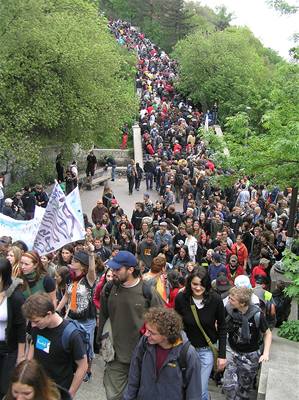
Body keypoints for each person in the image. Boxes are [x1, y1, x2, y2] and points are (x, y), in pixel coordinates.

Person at [96, 251, 162, 400]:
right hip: (115, 358)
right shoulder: (109, 289)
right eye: (112, 269)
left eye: (117, 269)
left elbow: (162, 322)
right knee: (113, 396)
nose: (113, 273)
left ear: (131, 269)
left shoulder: (148, 293)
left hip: (143, 358)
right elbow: (105, 316)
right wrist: (100, 342)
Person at [123, 307, 202, 400]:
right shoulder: (145, 342)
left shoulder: (188, 354)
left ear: (166, 335)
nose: (146, 334)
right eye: (147, 330)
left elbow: (194, 393)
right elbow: (134, 374)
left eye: (152, 333)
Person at [175, 267, 227, 400]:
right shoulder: (181, 298)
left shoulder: (215, 299)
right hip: (186, 350)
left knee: (199, 389)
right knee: (185, 387)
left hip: (206, 351)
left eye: (202, 284)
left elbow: (222, 327)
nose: (198, 288)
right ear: (189, 283)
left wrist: (222, 355)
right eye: (195, 284)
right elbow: (175, 324)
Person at [22, 293, 88, 398]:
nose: (33, 325)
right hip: (37, 387)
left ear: (48, 314)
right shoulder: (37, 326)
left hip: (58, 391)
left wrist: (70, 394)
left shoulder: (71, 335)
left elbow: (83, 366)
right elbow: (32, 347)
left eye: (36, 321)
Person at [56, 244, 97, 382]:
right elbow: (66, 296)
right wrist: (57, 310)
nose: (71, 262)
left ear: (82, 265)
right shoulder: (69, 277)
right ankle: (73, 368)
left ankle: (88, 371)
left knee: (86, 347)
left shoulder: (88, 279)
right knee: (69, 344)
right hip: (71, 317)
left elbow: (92, 269)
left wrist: (91, 253)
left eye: (75, 261)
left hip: (87, 320)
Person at [223, 287, 272, 400]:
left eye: (232, 299)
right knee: (228, 385)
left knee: (243, 389)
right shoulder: (228, 309)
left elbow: (267, 334)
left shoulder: (257, 314)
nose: (229, 300)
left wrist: (265, 354)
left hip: (250, 355)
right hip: (232, 350)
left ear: (242, 303)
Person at [0, 258, 26, 399]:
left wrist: (21, 356)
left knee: (5, 387)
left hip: (9, 349)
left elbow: (21, 327)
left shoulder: (15, 297)